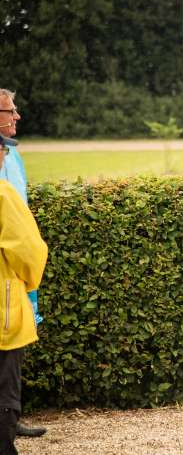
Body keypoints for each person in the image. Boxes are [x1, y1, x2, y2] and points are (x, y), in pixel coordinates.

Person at [0, 90, 46, 438]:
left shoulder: (15, 158)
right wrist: (29, 280)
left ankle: (11, 422)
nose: (17, 117)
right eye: (10, 111)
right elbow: (26, 245)